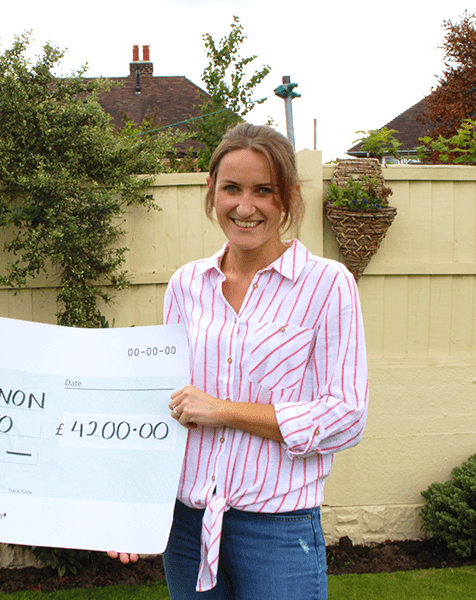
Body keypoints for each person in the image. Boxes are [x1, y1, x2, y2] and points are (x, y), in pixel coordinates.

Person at [111, 123, 368, 599]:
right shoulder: (187, 285)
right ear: (212, 190)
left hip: (277, 533)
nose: (245, 207)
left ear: (289, 196)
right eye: (232, 188)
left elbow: (346, 416)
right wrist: (133, 506)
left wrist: (225, 410)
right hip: (187, 528)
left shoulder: (328, 284)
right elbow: (165, 408)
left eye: (263, 191)